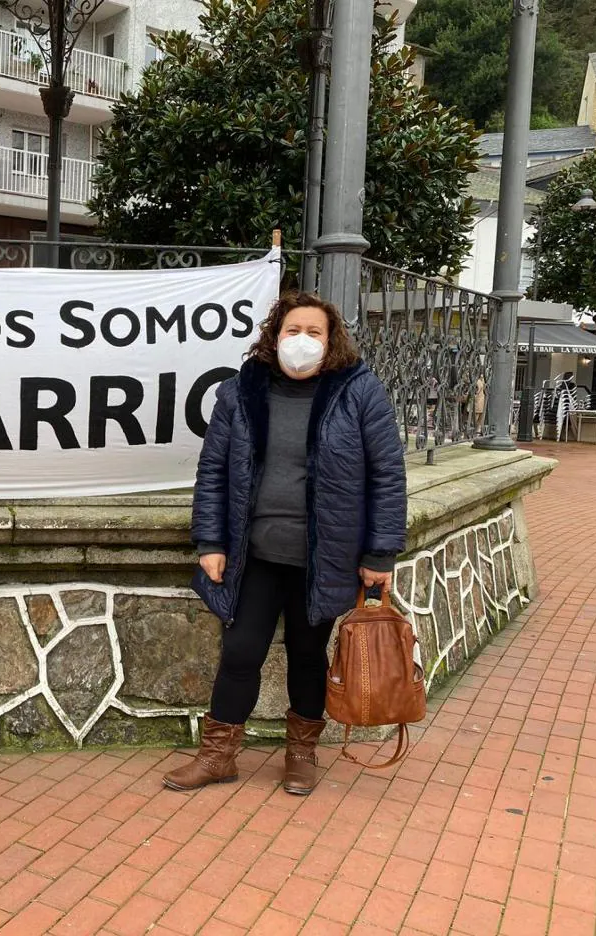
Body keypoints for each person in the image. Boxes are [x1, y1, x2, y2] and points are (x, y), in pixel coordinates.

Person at [166, 291, 407, 797]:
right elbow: (212, 472)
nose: (302, 342)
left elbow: (388, 474)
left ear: (331, 340)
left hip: (325, 557)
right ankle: (218, 755)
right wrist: (210, 540)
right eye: (292, 331)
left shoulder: (359, 392)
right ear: (275, 337)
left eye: (314, 332)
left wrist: (380, 553)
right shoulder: (240, 392)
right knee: (240, 652)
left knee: (307, 655)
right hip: (254, 553)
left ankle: (300, 754)